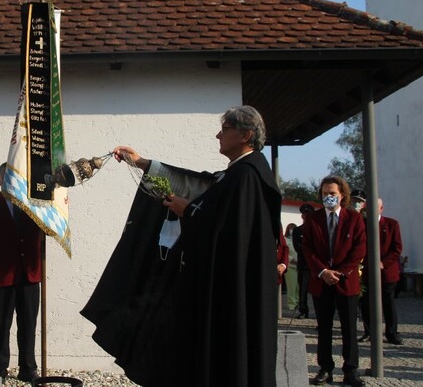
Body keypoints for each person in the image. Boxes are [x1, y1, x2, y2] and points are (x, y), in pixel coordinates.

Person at [82, 105, 282, 386]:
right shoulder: (237, 174)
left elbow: (231, 235)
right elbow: (197, 186)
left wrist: (189, 212)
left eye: (224, 130)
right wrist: (139, 162)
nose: (217, 135)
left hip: (230, 296)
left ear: (245, 134)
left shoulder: (247, 177)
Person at [0, 163, 43, 382]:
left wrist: (58, 209)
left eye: (16, 178)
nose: (12, 182)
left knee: (28, 325)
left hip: (30, 275)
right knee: (0, 325)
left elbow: (51, 232)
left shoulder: (37, 205)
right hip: (0, 276)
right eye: (7, 178)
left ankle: (28, 368)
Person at [302, 176, 367, 387]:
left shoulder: (354, 219)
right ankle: (325, 368)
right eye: (324, 194)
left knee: (349, 327)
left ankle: (350, 369)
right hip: (321, 282)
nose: (328, 197)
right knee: (324, 327)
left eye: (332, 194)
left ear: (342, 195)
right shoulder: (313, 219)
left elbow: (359, 249)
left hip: (345, 281)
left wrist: (338, 272)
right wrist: (322, 271)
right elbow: (308, 249)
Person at [359, 199, 404, 345]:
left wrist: (383, 263)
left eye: (374, 207)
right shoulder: (362, 225)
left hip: (387, 272)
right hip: (366, 271)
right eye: (367, 208)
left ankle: (392, 333)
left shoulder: (391, 224)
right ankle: (369, 332)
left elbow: (397, 248)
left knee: (388, 303)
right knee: (366, 303)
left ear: (381, 208)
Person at [294, 203, 315, 318]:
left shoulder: (317, 229)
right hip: (304, 265)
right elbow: (298, 247)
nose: (306, 217)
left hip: (317, 264)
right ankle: (303, 310)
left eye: (308, 214)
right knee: (303, 289)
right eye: (304, 215)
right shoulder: (298, 231)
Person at [284, 223, 299, 311]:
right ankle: (292, 304)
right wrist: (291, 259)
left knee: (299, 286)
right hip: (291, 265)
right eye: (290, 229)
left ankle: (298, 302)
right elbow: (284, 252)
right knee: (291, 286)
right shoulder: (285, 240)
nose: (292, 231)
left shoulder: (298, 239)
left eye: (293, 229)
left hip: (299, 265)